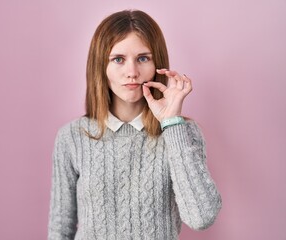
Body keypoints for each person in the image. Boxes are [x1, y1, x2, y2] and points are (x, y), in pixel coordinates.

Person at [48, 9, 222, 240]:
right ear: (101, 66)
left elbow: (201, 217)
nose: (132, 72)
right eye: (118, 59)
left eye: (143, 58)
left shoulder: (183, 133)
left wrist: (171, 124)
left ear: (157, 64)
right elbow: (60, 229)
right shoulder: (71, 137)